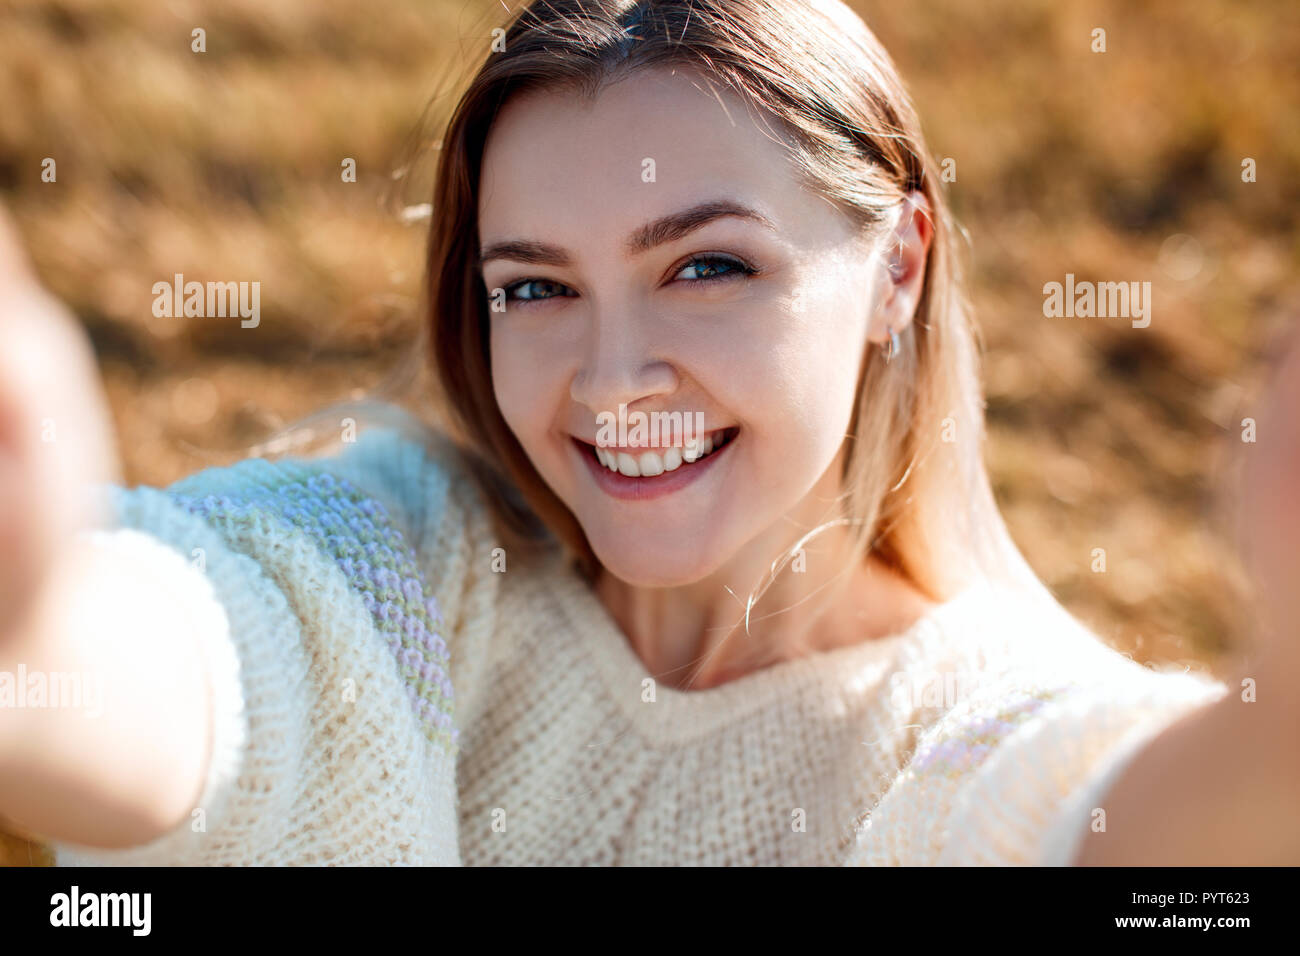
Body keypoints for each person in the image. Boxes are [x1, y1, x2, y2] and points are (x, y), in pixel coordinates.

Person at [1, 0, 1297, 866]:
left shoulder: (977, 738)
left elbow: (1135, 823)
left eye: (708, 268)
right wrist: (32, 612)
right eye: (537, 289)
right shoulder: (412, 560)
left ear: (898, 264)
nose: (613, 380)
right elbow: (199, 664)